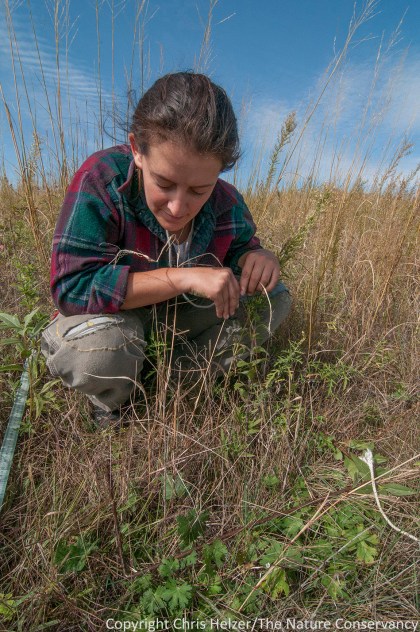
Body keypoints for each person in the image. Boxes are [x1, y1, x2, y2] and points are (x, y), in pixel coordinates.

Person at [41, 72, 291, 427]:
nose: (178, 207)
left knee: (274, 298)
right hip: (114, 322)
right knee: (100, 352)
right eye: (165, 183)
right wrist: (180, 278)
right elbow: (72, 287)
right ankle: (115, 401)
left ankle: (169, 385)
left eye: (198, 190)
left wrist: (259, 258)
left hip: (175, 322)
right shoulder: (102, 179)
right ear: (136, 150)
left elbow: (243, 249)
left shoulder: (227, 200)